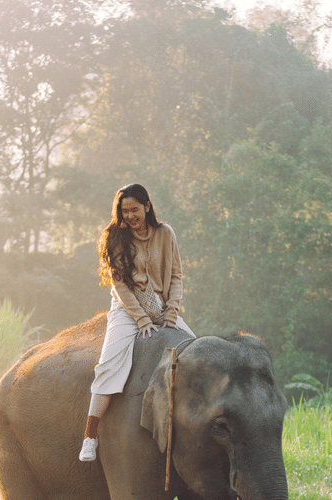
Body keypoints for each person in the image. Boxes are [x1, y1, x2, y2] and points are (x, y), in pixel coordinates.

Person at [79, 183, 194, 462]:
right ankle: (90, 437)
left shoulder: (165, 233)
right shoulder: (115, 237)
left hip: (164, 307)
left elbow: (177, 276)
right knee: (108, 365)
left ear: (147, 206)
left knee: (195, 352)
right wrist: (141, 319)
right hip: (127, 310)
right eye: (124, 210)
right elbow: (119, 286)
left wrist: (171, 313)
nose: (129, 215)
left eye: (134, 209)